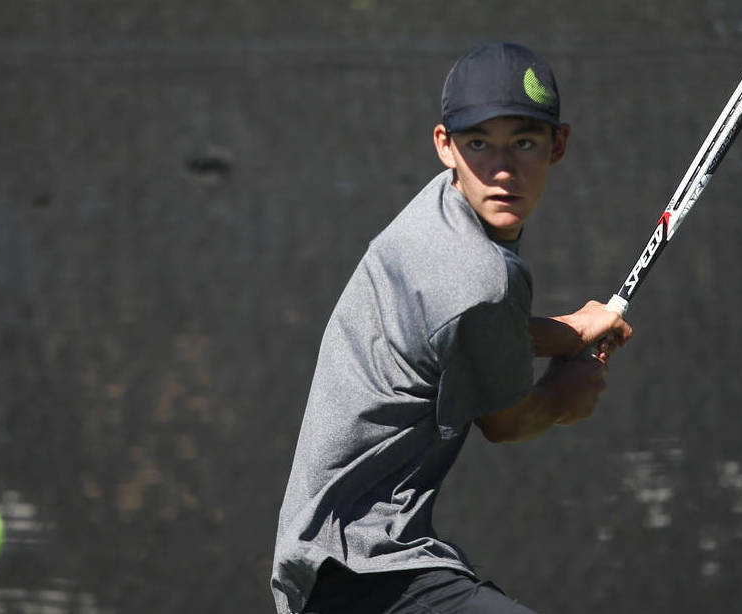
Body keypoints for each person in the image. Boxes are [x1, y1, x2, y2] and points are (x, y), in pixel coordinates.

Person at [271, 41, 634, 614]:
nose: (503, 169)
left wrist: (568, 332)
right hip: (364, 569)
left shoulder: (441, 211)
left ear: (557, 145)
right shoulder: (479, 277)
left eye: (524, 142)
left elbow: (462, 336)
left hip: (332, 561)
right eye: (479, 144)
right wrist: (565, 394)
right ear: (446, 146)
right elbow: (507, 421)